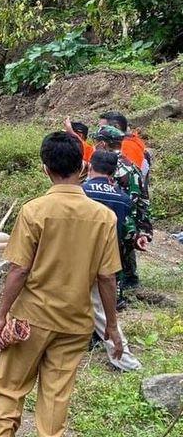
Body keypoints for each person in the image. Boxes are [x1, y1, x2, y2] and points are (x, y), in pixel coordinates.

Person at [0, 132, 122, 437]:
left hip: (31, 317)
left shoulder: (34, 210)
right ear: (83, 167)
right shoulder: (103, 218)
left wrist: (0, 317)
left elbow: (19, 269)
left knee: (12, 383)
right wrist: (112, 327)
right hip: (75, 322)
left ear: (46, 169)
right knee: (57, 392)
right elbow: (106, 278)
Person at [82, 151, 142, 371]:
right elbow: (126, 232)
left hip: (78, 258)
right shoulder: (123, 198)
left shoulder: (81, 192)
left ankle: (126, 361)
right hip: (107, 258)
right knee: (101, 309)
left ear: (90, 167)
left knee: (96, 310)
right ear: (113, 172)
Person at [92, 125, 151, 291]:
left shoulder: (104, 168)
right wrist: (144, 230)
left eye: (96, 141)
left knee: (108, 265)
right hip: (129, 223)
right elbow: (144, 201)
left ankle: (116, 295)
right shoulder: (133, 168)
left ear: (103, 144)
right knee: (124, 255)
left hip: (109, 222)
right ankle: (128, 283)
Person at [100, 111, 148, 182]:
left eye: (103, 128)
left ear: (116, 127)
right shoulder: (130, 141)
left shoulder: (128, 146)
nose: (100, 132)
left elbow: (129, 177)